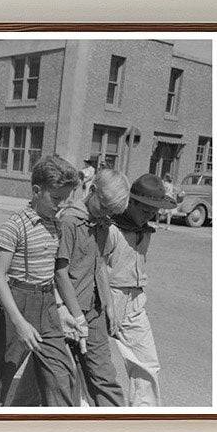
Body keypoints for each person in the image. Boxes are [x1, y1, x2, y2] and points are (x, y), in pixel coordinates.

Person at [0, 154, 79, 406]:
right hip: (16, 303)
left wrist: (61, 308)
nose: (61, 205)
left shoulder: (56, 225)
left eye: (66, 199)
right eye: (56, 198)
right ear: (37, 191)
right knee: (0, 376)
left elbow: (52, 272)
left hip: (47, 305)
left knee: (61, 373)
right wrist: (18, 322)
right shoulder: (15, 225)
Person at [53, 168, 131, 407]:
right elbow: (60, 273)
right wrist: (76, 315)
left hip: (94, 310)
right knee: (56, 379)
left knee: (104, 377)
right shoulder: (69, 221)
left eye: (111, 212)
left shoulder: (103, 224)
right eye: (105, 207)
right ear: (93, 191)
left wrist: (108, 306)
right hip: (67, 311)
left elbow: (100, 266)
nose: (107, 215)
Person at [105, 172, 178, 406]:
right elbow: (99, 269)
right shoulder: (110, 229)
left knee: (147, 364)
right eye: (145, 210)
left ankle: (145, 416)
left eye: (154, 212)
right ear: (131, 202)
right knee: (83, 360)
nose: (150, 216)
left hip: (135, 300)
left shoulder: (144, 230)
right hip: (107, 297)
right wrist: (107, 305)